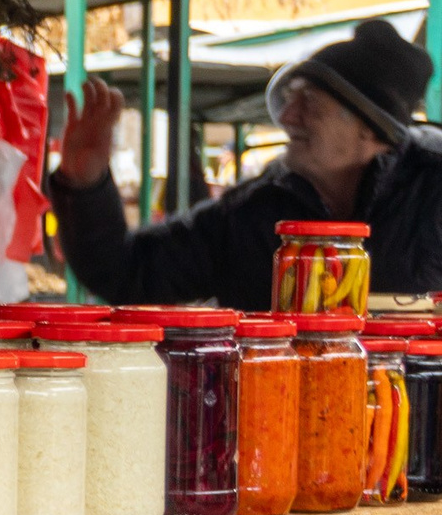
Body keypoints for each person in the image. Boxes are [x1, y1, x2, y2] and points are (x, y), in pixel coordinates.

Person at [51, 17, 442, 309]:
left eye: (309, 103)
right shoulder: (251, 212)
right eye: (290, 98)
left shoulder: (433, 192)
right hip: (273, 416)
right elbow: (126, 274)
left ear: (371, 131)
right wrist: (85, 185)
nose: (287, 117)